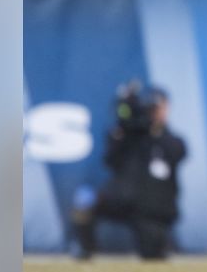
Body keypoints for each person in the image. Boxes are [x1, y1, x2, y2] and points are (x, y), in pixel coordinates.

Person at [72, 83, 187, 260]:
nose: (154, 112)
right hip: (121, 197)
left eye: (158, 107)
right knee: (84, 202)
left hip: (150, 208)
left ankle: (158, 245)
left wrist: (155, 130)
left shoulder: (171, 140)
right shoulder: (124, 135)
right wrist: (124, 127)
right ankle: (86, 250)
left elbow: (178, 153)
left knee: (153, 254)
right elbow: (110, 160)